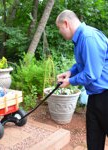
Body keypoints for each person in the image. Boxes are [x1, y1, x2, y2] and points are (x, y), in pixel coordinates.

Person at [56, 10, 108, 150]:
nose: (60, 32)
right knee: (94, 140)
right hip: (95, 96)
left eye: (59, 28)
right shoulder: (80, 39)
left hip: (105, 96)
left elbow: (91, 73)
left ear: (66, 23)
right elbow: (83, 65)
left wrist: (70, 81)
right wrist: (70, 72)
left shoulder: (88, 37)